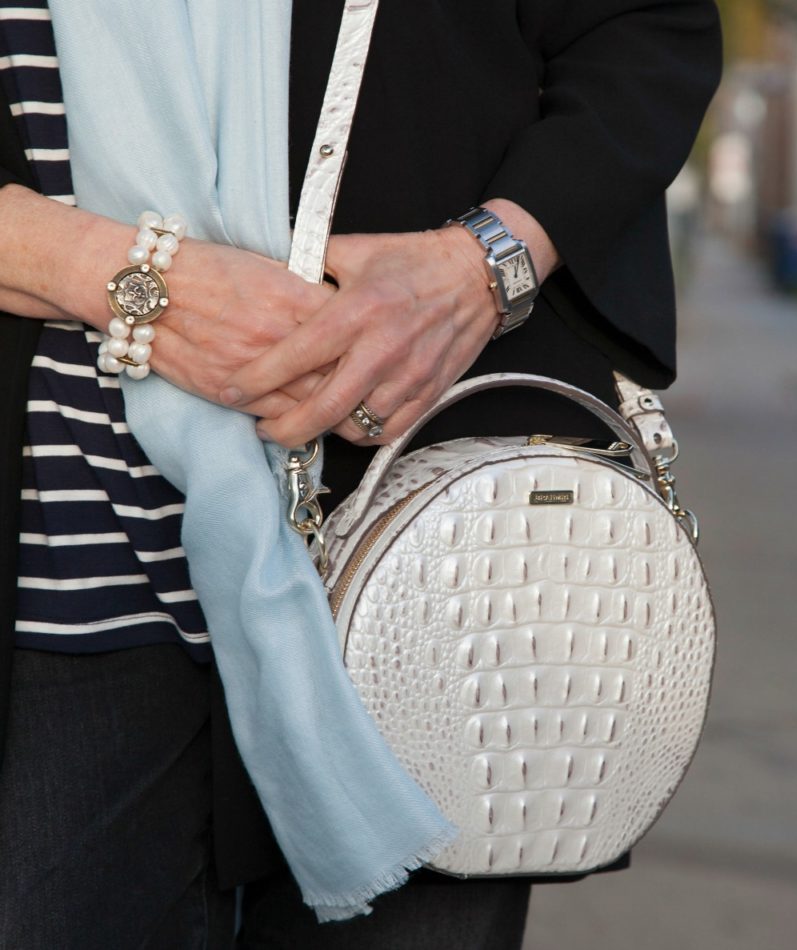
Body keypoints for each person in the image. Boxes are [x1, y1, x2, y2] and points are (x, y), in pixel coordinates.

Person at [0, 0, 722, 947]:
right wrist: (123, 275)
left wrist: (487, 262)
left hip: (427, 543)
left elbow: (644, 30)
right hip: (64, 554)